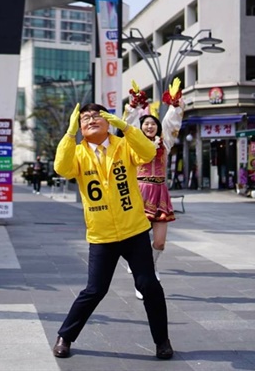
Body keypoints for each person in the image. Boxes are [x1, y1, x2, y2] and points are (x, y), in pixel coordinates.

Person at [52, 103, 173, 360]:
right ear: (80, 127)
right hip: (102, 234)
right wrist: (69, 132)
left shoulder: (123, 144)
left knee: (149, 285)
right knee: (94, 290)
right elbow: (61, 169)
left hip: (134, 230)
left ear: (109, 122)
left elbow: (149, 151)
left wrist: (126, 126)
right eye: (85, 119)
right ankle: (65, 336)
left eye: (97, 116)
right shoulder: (77, 153)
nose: (91, 120)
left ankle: (162, 341)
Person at [123, 78, 183, 299]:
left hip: (160, 193)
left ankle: (152, 267)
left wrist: (176, 104)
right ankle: (141, 280)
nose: (150, 126)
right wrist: (135, 106)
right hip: (139, 193)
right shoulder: (134, 142)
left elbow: (171, 121)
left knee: (159, 242)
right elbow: (127, 125)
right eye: (146, 123)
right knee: (137, 241)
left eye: (153, 124)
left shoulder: (163, 143)